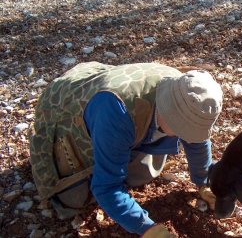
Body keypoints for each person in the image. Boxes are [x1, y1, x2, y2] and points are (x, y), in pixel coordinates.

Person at [29, 62, 222, 237]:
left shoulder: (184, 89)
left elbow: (197, 142)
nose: (187, 136)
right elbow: (107, 188)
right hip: (63, 109)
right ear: (166, 109)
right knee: (73, 198)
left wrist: (204, 182)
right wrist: (146, 227)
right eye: (182, 128)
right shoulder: (116, 112)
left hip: (111, 104)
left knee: (144, 173)